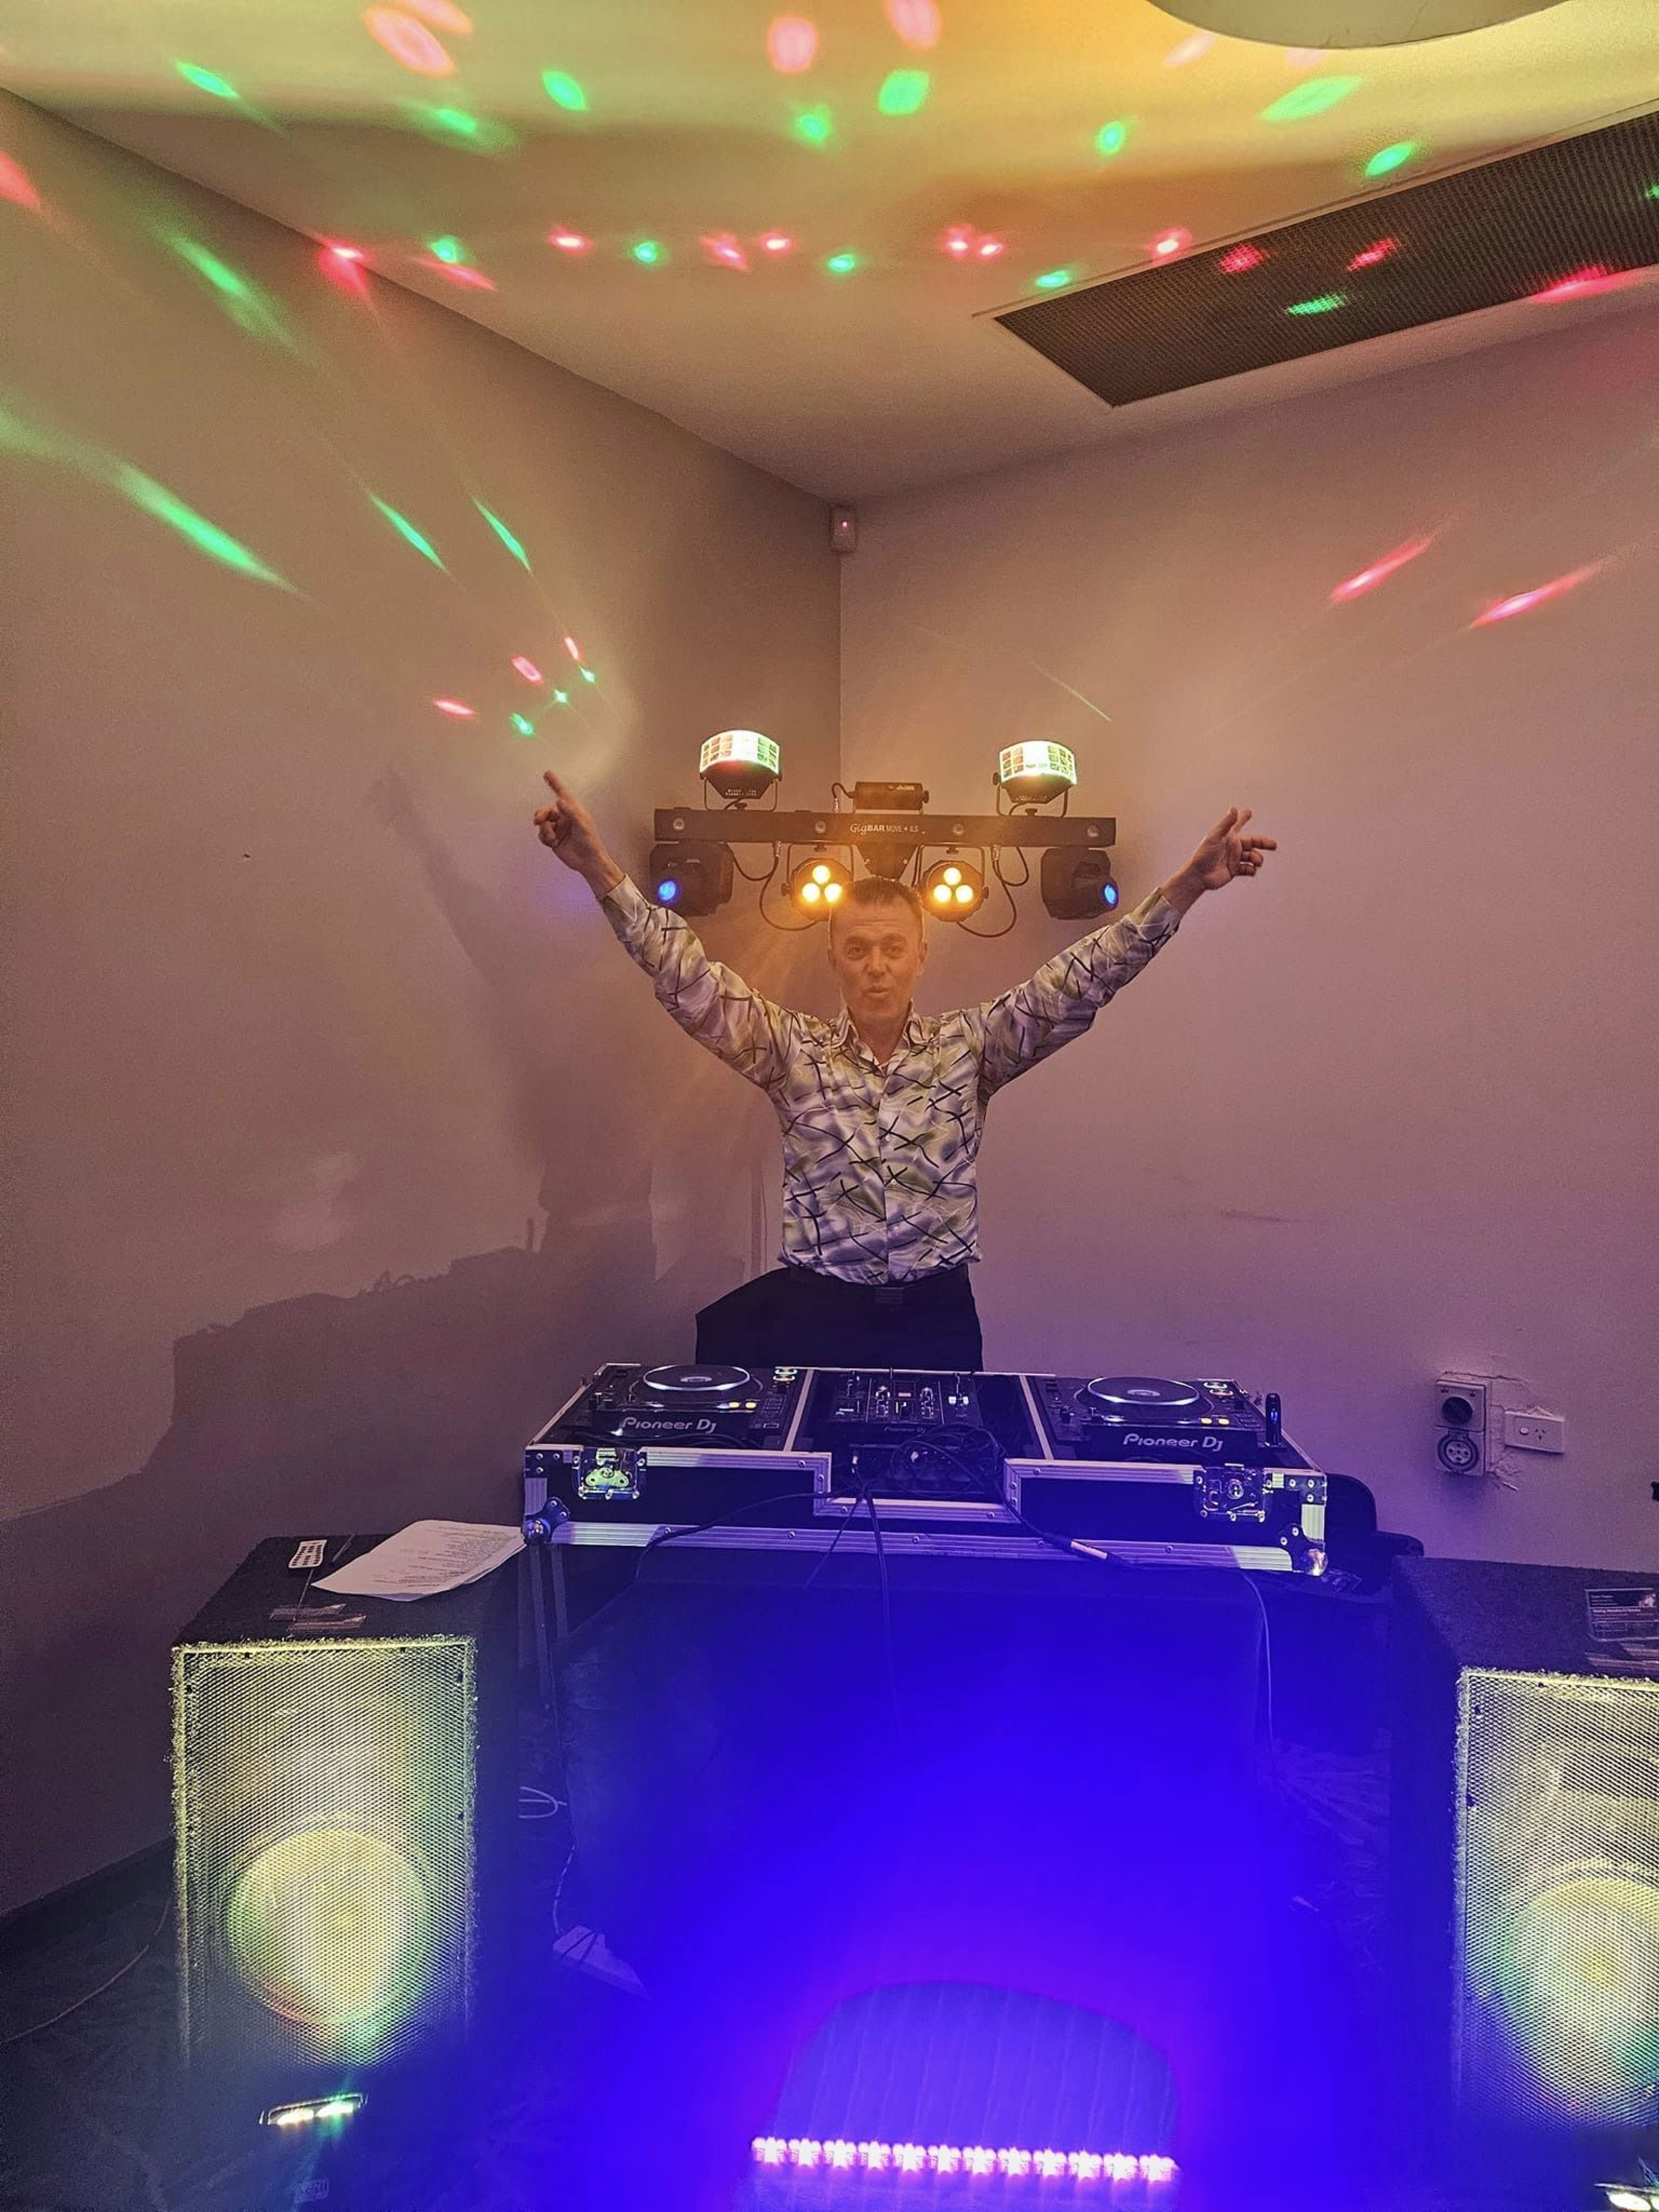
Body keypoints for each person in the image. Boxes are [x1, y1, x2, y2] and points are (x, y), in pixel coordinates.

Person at [533, 769, 1275, 1371]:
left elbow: (1079, 979)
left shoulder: (971, 1046)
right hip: (817, 1317)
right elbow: (687, 977)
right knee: (816, 1509)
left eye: (892, 947)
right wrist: (599, 867)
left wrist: (1185, 888)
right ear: (834, 959)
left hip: (936, 1319)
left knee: (943, 1510)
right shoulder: (792, 1052)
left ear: (921, 955)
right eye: (858, 948)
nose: (876, 965)